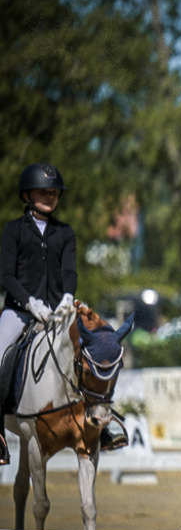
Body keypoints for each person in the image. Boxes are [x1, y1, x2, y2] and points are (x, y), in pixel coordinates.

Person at [0, 163, 126, 450]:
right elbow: (6, 275)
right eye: (43, 191)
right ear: (26, 195)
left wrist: (68, 296)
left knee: (95, 349)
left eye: (54, 192)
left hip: (59, 311)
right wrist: (30, 303)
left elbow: (70, 272)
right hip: (20, 312)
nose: (50, 196)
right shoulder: (14, 231)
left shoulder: (65, 233)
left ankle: (102, 425)